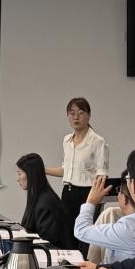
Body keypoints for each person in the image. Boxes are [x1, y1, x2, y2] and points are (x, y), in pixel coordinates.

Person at [43, 96, 109, 247]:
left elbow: (102, 175)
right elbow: (65, 171)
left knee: (84, 239)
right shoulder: (67, 140)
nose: (76, 117)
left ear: (88, 116)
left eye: (81, 113)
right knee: (67, 235)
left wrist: (95, 200)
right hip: (68, 192)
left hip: (87, 194)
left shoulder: (97, 141)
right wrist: (42, 169)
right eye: (72, 113)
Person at [73, 171, 135, 264]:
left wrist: (91, 201)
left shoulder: (127, 228)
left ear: (124, 198)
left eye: (119, 191)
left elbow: (81, 230)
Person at [16, 153, 72, 247]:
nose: (17, 179)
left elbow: (46, 242)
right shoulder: (40, 197)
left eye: (19, 174)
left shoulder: (45, 203)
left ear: (31, 174)